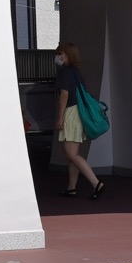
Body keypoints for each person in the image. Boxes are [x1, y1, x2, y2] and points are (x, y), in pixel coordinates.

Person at [52, 43, 104, 200]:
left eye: (60, 53)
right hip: (79, 113)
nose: (58, 57)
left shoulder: (64, 72)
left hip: (71, 113)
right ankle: (71, 188)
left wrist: (59, 117)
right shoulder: (75, 72)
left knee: (71, 154)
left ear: (67, 55)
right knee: (73, 154)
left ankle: (96, 183)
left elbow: (64, 96)